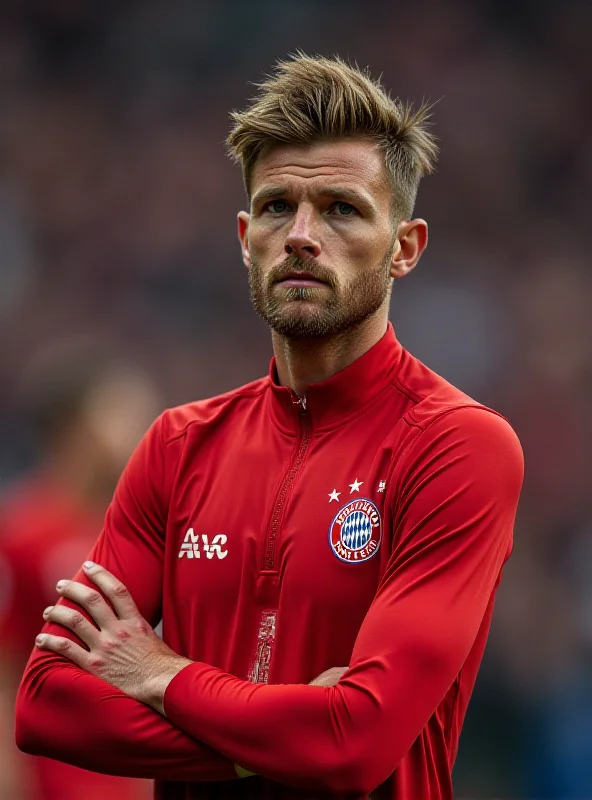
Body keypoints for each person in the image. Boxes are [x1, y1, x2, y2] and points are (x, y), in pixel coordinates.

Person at [15, 55, 524, 800]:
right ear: (245, 235)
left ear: (405, 248)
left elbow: (357, 741)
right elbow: (48, 707)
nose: (302, 235)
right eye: (279, 206)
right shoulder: (177, 446)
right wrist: (271, 742)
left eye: (343, 209)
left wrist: (163, 674)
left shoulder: (458, 446)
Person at [1, 340, 158, 800]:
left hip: (129, 780)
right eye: (120, 413)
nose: (140, 427)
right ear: (77, 428)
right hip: (51, 779)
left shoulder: (146, 533)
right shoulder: (22, 532)